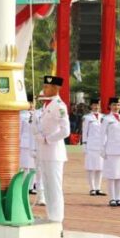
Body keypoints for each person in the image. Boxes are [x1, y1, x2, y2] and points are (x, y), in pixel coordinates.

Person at [33, 75, 70, 223]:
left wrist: (48, 139)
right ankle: (51, 217)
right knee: (47, 187)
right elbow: (38, 125)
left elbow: (65, 131)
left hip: (54, 152)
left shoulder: (59, 106)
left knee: (55, 188)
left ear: (55, 88)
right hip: (43, 151)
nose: (44, 89)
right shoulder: (44, 105)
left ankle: (57, 220)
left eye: (47, 87)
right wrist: (37, 134)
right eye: (44, 86)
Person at [82, 98, 106, 196]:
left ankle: (98, 188)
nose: (96, 107)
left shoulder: (104, 117)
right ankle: (92, 188)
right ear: (91, 106)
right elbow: (85, 131)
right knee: (91, 167)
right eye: (94, 105)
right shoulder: (87, 117)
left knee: (100, 168)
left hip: (101, 145)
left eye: (98, 105)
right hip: (91, 145)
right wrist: (84, 144)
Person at [102, 97, 120, 206]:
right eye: (114, 105)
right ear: (109, 106)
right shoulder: (106, 119)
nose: (116, 107)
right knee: (112, 175)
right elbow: (102, 135)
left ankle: (119, 198)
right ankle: (112, 198)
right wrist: (102, 149)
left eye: (118, 105)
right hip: (111, 150)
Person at [19, 94, 37, 193]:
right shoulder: (21, 115)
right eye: (29, 102)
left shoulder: (38, 114)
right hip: (25, 143)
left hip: (35, 143)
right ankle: (24, 185)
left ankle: (32, 186)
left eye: (33, 102)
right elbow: (19, 130)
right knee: (25, 166)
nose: (31, 104)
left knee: (34, 166)